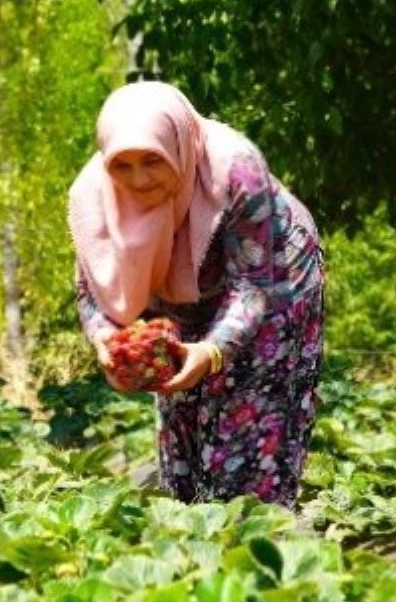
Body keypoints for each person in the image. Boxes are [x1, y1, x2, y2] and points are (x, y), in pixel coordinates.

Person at [68, 81, 325, 508]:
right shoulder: (93, 194)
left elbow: (252, 287)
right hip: (185, 300)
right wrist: (108, 345)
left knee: (248, 432)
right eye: (123, 165)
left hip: (275, 281)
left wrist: (211, 352)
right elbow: (90, 288)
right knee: (182, 431)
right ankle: (193, 529)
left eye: (153, 160)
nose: (138, 179)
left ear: (179, 147)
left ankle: (254, 532)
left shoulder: (236, 170)